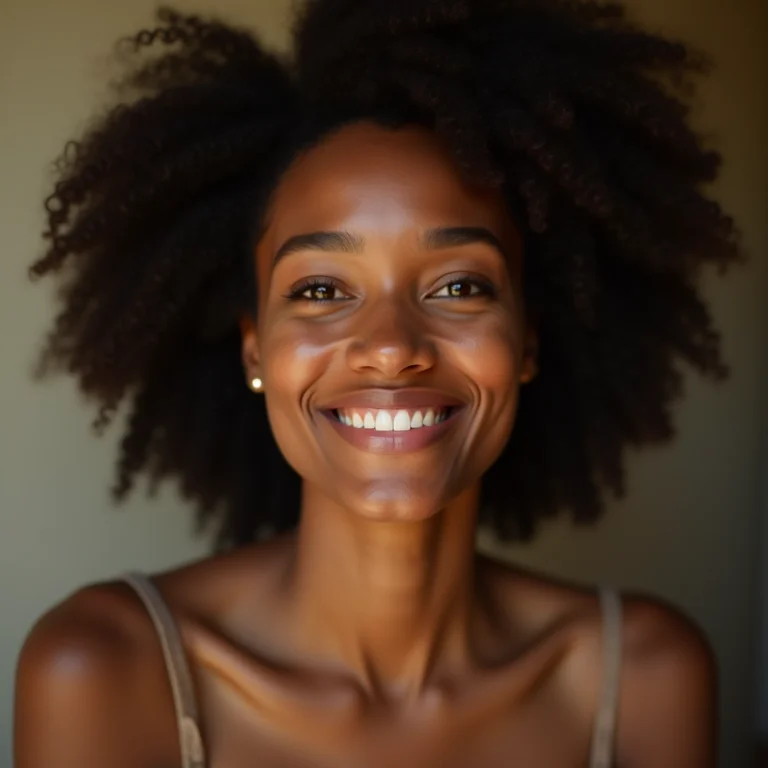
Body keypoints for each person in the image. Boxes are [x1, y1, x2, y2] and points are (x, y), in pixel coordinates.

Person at [13, 0, 739, 765]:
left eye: (460, 287)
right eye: (322, 290)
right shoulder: (102, 672)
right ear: (255, 351)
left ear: (525, 342)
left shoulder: (648, 678)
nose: (392, 349)